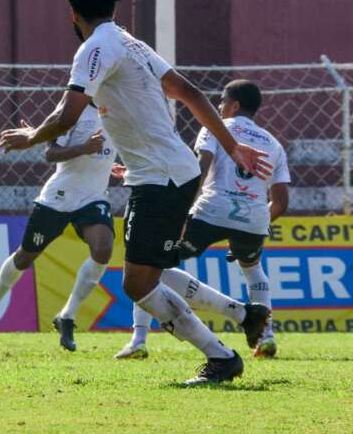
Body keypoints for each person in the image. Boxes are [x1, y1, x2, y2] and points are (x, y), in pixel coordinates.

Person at [0, 0, 272, 385]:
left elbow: (68, 113)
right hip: (165, 174)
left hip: (161, 177)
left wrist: (31, 137)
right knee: (150, 273)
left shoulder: (95, 48)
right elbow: (193, 94)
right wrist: (231, 147)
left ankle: (221, 357)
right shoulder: (133, 44)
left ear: (73, 13)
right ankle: (242, 315)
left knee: (138, 282)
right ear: (114, 6)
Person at [116, 79, 290, 360]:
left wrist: (180, 211)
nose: (219, 107)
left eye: (222, 101)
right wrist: (254, 224)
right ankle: (266, 337)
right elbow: (281, 202)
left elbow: (201, 166)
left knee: (152, 264)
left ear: (233, 105)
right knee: (253, 267)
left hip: (211, 210)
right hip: (255, 218)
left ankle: (138, 339)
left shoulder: (215, 128)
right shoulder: (274, 144)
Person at [0, 102, 116, 352]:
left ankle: (67, 317)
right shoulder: (75, 110)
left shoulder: (120, 108)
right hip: (58, 197)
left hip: (93, 197)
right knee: (24, 257)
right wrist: (84, 148)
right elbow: (50, 154)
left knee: (103, 249)